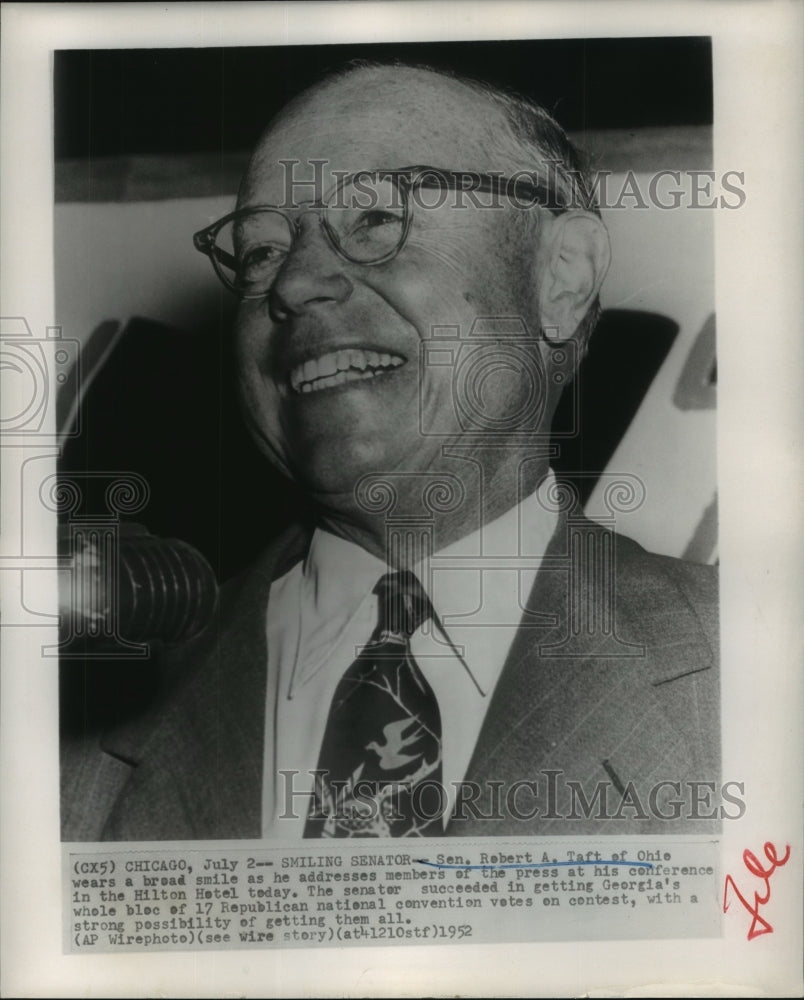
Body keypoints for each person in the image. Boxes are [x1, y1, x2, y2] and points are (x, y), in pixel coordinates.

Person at [61, 62, 719, 841]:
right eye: (261, 250)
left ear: (559, 276)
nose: (295, 284)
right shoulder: (67, 721)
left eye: (375, 218)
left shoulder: (755, 675)